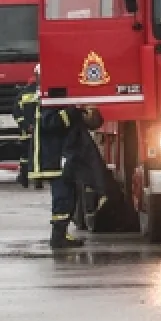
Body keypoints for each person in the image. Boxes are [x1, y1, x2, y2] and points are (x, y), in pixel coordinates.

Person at [31, 103, 103, 249]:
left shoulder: (56, 104)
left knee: (69, 196)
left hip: (60, 159)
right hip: (54, 160)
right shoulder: (48, 106)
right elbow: (51, 124)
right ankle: (58, 237)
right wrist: (72, 111)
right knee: (63, 198)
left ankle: (61, 234)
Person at [11, 66, 42, 189]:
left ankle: (24, 179)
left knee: (25, 156)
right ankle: (38, 181)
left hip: (27, 132)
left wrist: (25, 126)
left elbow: (16, 112)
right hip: (41, 131)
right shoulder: (43, 93)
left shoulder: (23, 94)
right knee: (39, 156)